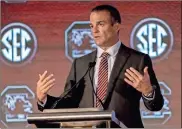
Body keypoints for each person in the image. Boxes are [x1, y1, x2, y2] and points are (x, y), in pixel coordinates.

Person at [36, 4, 164, 128]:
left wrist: (148, 91)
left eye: (100, 24)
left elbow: (156, 105)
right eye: (92, 26)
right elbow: (69, 101)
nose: (94, 30)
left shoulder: (138, 60)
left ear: (116, 26)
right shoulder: (81, 63)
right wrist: (44, 99)